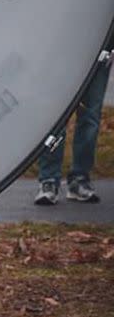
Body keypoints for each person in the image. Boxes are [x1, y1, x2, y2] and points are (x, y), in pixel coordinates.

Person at [34, 38, 113, 205]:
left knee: (90, 117)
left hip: (100, 48)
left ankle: (79, 179)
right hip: (62, 46)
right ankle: (48, 180)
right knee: (55, 114)